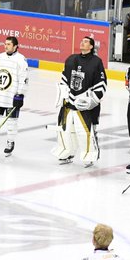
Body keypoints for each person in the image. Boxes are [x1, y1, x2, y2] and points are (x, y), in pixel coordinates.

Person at [52, 36, 108, 167]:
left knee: (86, 132)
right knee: (65, 130)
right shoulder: (71, 59)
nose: (82, 42)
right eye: (82, 40)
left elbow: (102, 84)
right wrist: (64, 93)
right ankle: (67, 152)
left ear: (91, 47)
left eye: (86, 42)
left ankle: (89, 156)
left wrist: (91, 100)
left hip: (85, 105)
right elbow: (64, 78)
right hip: (69, 103)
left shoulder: (96, 62)